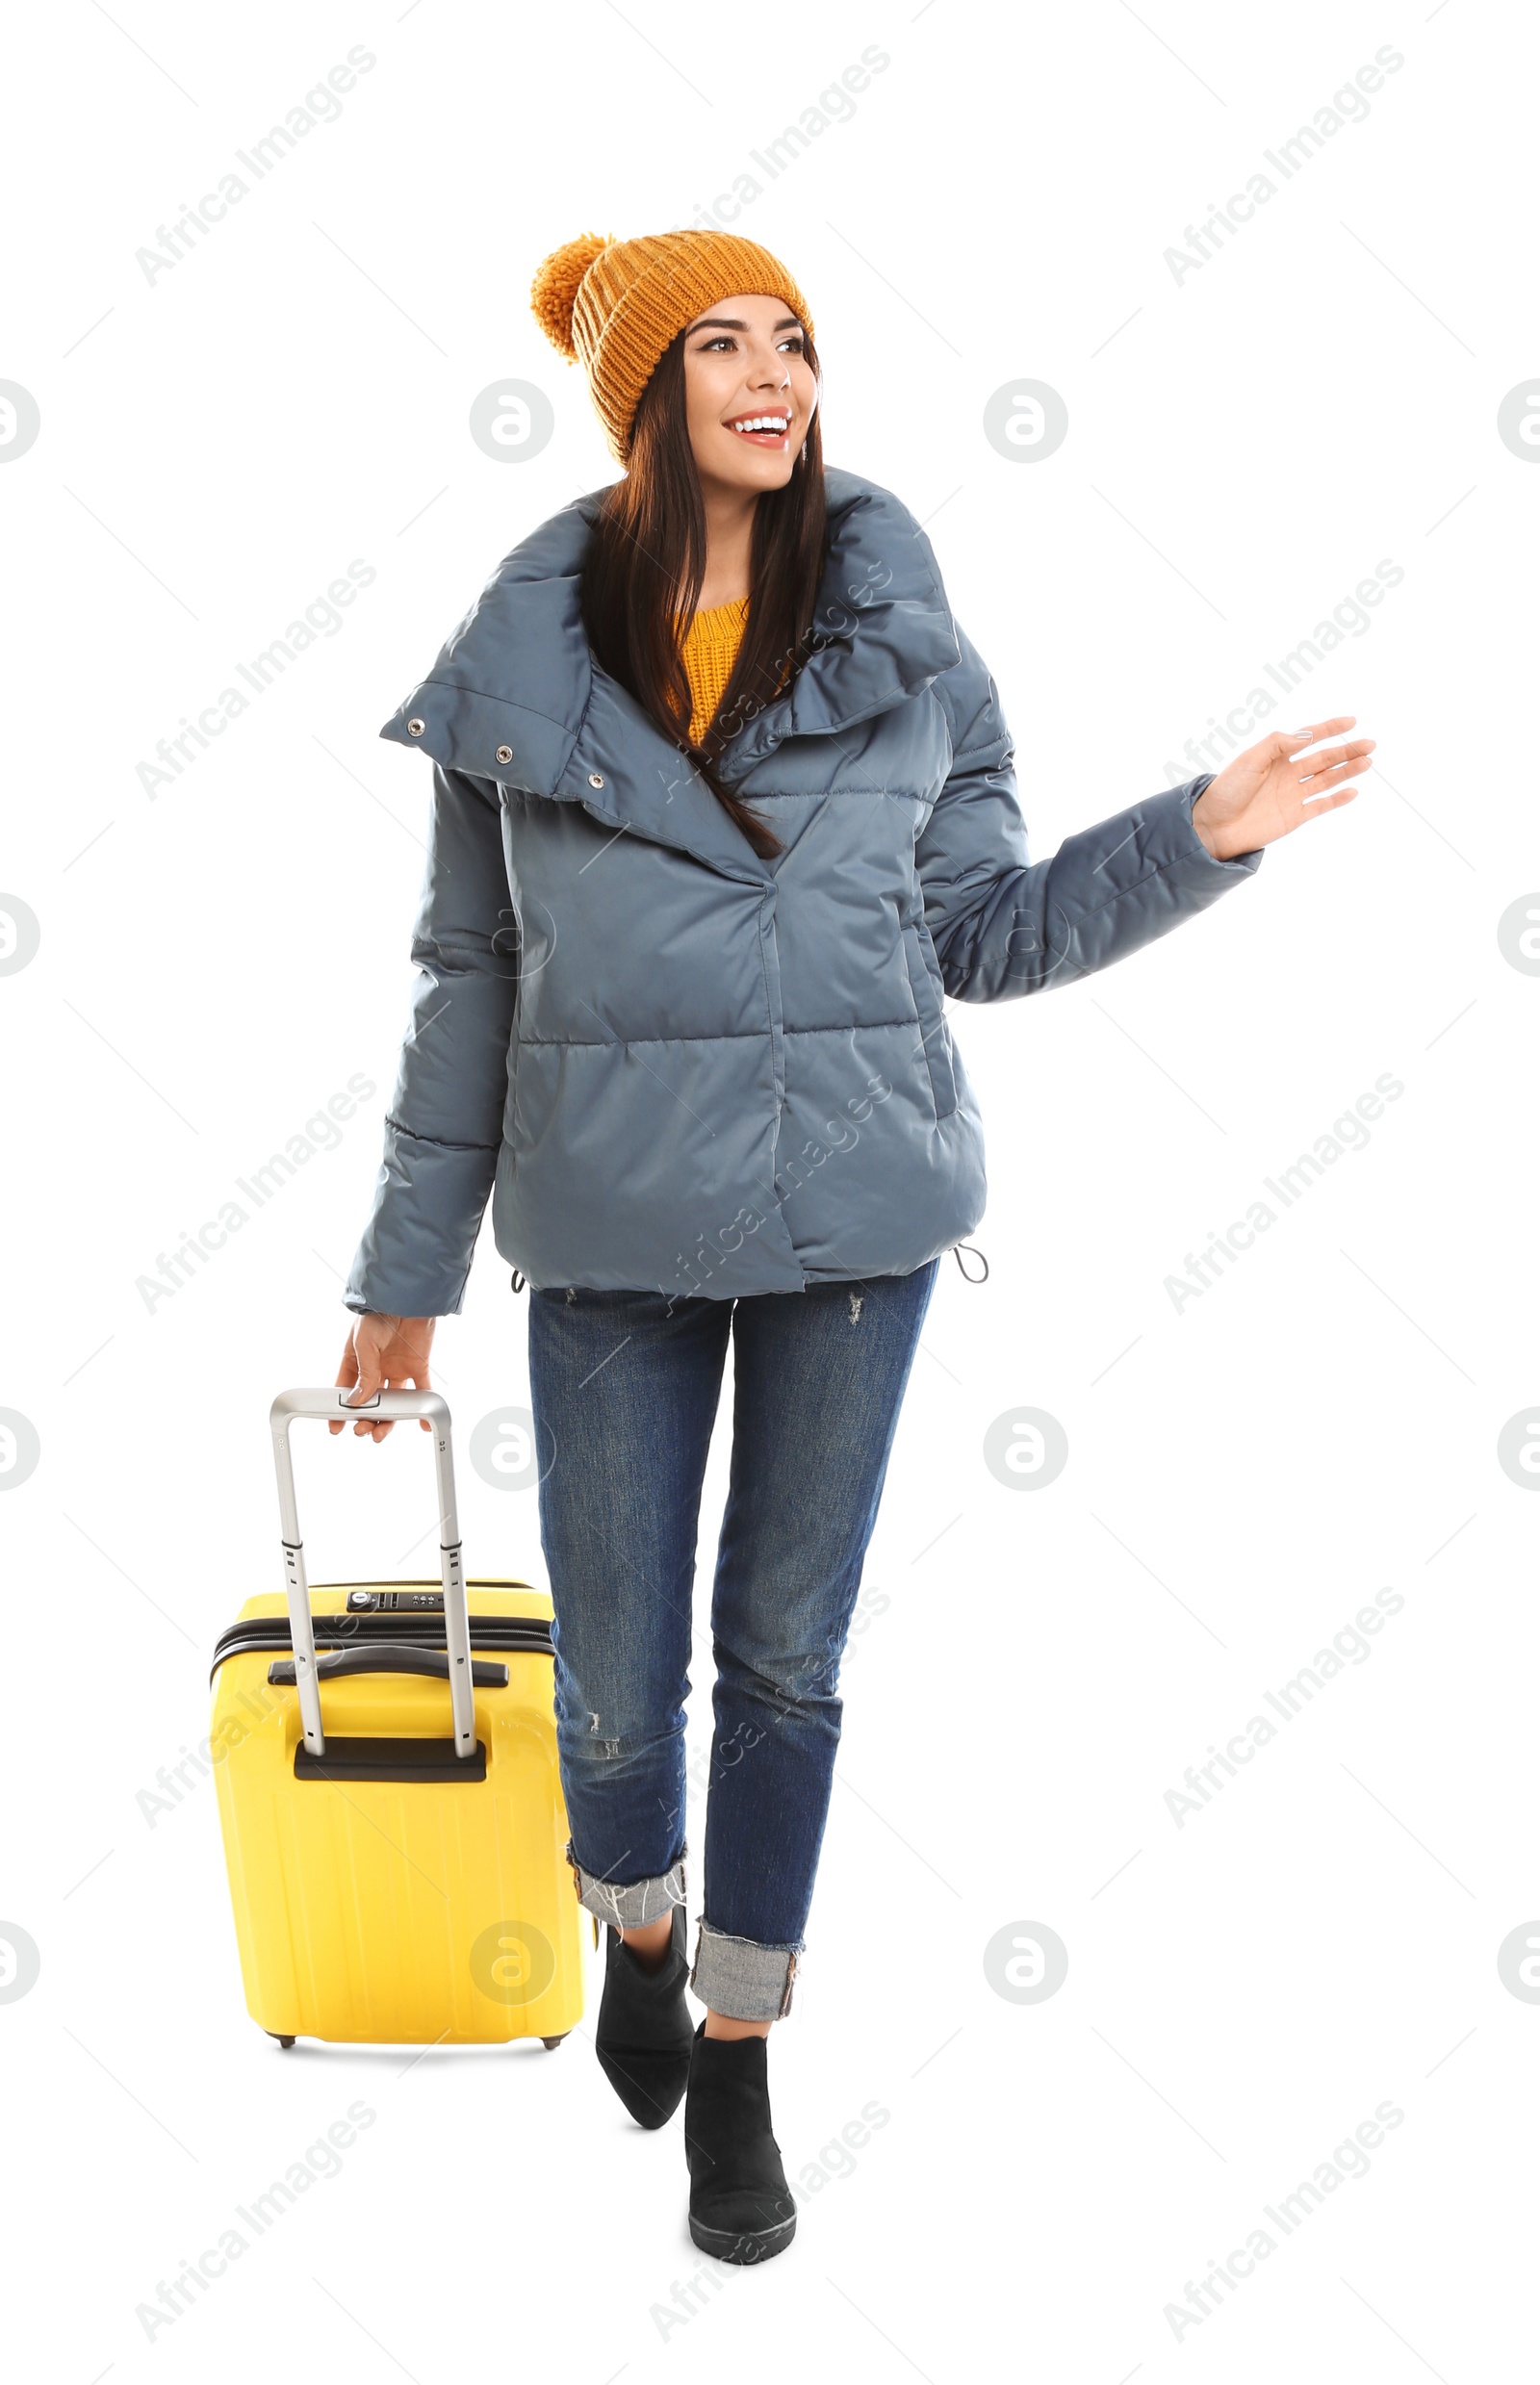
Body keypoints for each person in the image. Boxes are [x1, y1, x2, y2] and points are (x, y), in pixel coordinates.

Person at [334, 227, 1373, 2264]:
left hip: (853, 1232)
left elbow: (977, 934)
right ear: (641, 392)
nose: (771, 371)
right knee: (619, 1697)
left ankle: (736, 2045)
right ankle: (628, 1914)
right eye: (718, 341)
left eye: (792, 338)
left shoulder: (896, 620)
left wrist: (1199, 834)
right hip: (609, 1235)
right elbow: (467, 978)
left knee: (783, 1666)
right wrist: (401, 1277)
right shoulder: (523, 659)